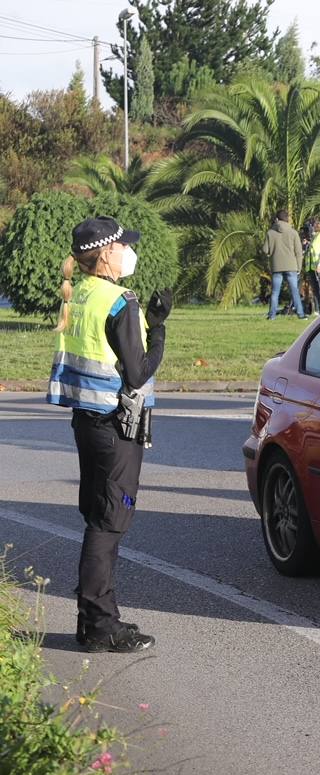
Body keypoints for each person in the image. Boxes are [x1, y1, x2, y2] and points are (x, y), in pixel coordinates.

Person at [48, 215, 170, 653]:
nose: (128, 252)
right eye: (123, 246)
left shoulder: (78, 294)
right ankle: (101, 627)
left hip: (87, 420)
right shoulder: (119, 300)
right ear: (106, 254)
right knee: (109, 524)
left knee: (98, 518)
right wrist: (159, 329)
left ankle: (94, 619)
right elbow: (137, 372)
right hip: (116, 425)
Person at [263, 209, 305, 319]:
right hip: (291, 266)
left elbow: (265, 250)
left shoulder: (270, 233)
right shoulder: (293, 233)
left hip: (276, 266)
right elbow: (299, 252)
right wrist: (299, 267)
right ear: (287, 219)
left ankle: (271, 316)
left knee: (275, 292)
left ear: (276, 219)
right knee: (295, 291)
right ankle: (301, 314)